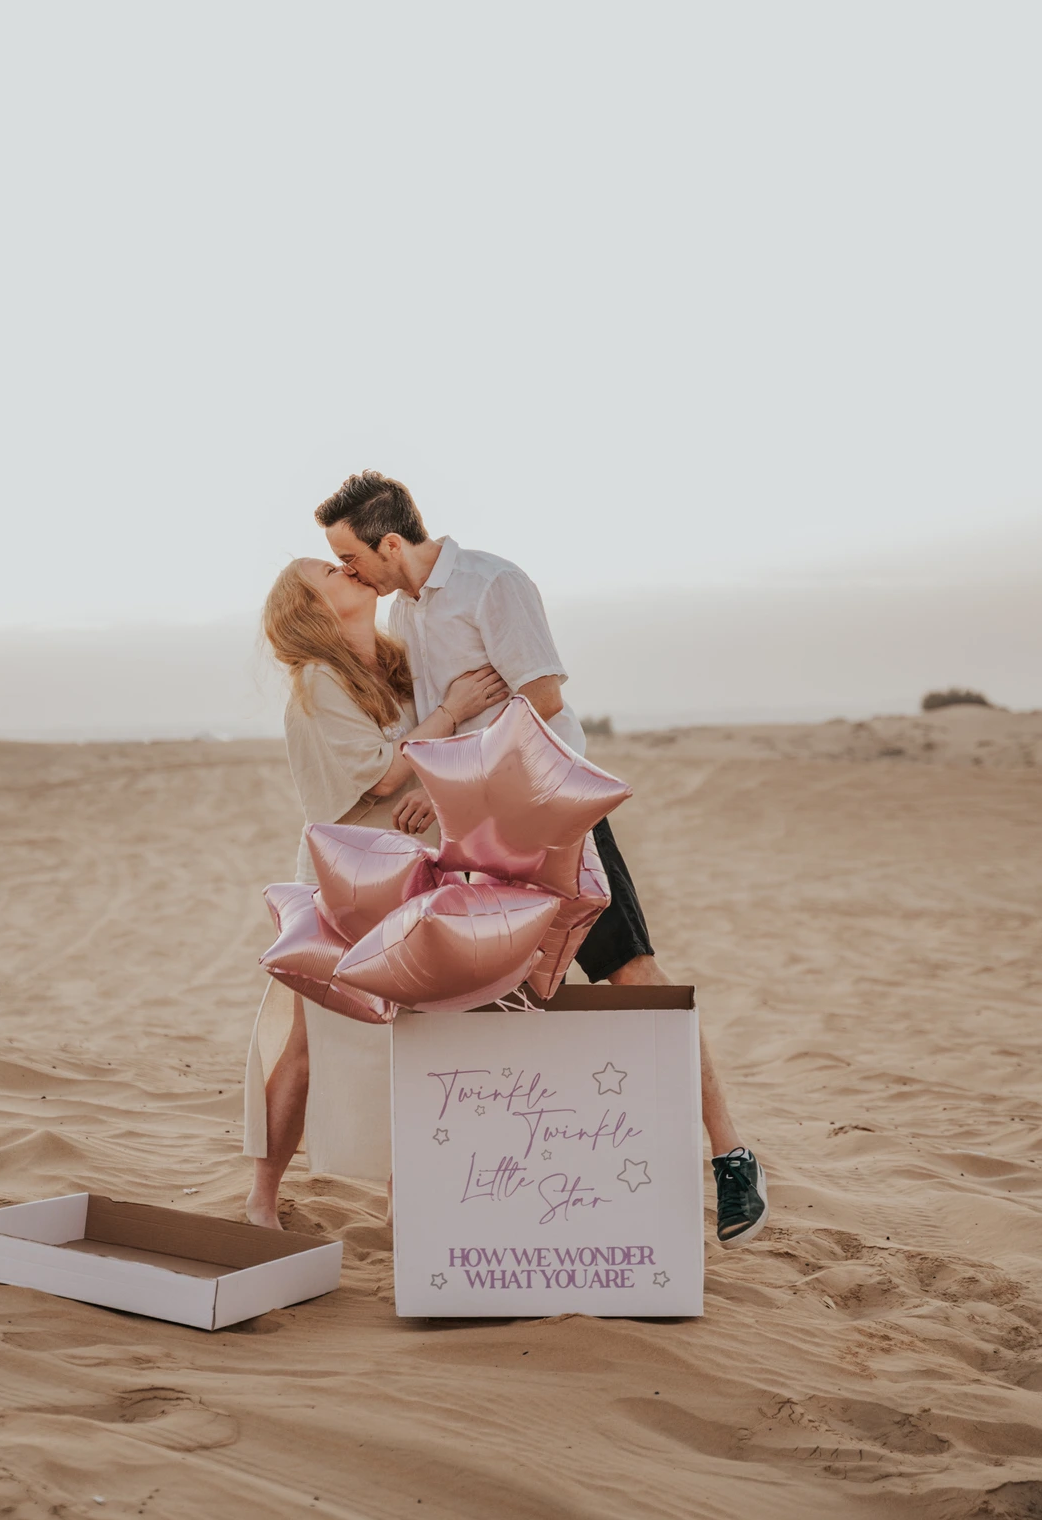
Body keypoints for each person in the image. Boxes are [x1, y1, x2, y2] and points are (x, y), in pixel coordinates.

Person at [315, 469, 769, 1248]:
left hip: (552, 820)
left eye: (352, 556)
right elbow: (448, 720)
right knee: (501, 1002)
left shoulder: (493, 584)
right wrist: (439, 772)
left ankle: (731, 1156)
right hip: (476, 837)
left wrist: (455, 760)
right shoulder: (408, 610)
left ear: (391, 542)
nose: (351, 572)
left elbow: (544, 700)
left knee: (633, 978)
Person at [243, 556, 508, 1228]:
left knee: (417, 1033)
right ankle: (261, 1199)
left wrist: (446, 795)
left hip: (416, 870)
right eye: (325, 571)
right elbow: (384, 776)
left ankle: (402, 1204)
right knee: (307, 1038)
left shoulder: (398, 669)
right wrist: (449, 712)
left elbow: (438, 766)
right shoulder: (318, 680)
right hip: (345, 876)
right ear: (307, 606)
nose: (345, 568)